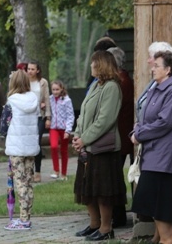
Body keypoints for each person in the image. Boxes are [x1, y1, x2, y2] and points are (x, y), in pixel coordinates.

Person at [131, 51, 172, 244]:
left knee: (161, 211)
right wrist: (136, 130)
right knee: (159, 209)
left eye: (157, 65)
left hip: (163, 159)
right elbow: (144, 117)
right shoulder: (157, 88)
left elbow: (164, 122)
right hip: (153, 155)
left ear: (168, 69)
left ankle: (169, 241)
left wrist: (139, 135)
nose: (152, 68)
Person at [72, 51, 126, 241]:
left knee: (103, 191)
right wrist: (77, 135)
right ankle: (94, 224)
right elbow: (83, 113)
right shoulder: (95, 85)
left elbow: (105, 120)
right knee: (88, 189)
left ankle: (105, 228)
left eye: (93, 62)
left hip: (103, 149)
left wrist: (84, 139)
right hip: (88, 147)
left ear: (101, 64)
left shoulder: (111, 87)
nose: (90, 66)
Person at [3, 70, 39, 231]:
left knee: (19, 182)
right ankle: (27, 216)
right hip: (30, 147)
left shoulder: (11, 101)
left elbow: (4, 125)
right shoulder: (33, 100)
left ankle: (23, 220)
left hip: (16, 147)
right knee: (29, 182)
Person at [107, 46, 134, 228]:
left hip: (120, 137)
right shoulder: (122, 80)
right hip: (122, 136)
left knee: (114, 177)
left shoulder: (121, 82)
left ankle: (118, 217)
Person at [26, 60, 51, 183]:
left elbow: (46, 99)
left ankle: (38, 171)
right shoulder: (24, 82)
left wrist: (48, 117)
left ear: (37, 70)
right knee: (28, 143)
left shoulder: (43, 82)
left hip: (39, 117)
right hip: (27, 117)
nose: (30, 71)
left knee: (37, 142)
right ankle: (29, 170)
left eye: (32, 69)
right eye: (28, 69)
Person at [48, 80, 74, 181]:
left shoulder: (67, 100)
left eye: (57, 89)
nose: (55, 92)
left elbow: (70, 116)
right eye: (53, 89)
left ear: (62, 89)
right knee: (54, 147)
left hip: (64, 128)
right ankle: (56, 170)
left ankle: (64, 174)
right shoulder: (50, 99)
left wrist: (68, 130)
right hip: (54, 127)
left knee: (64, 151)